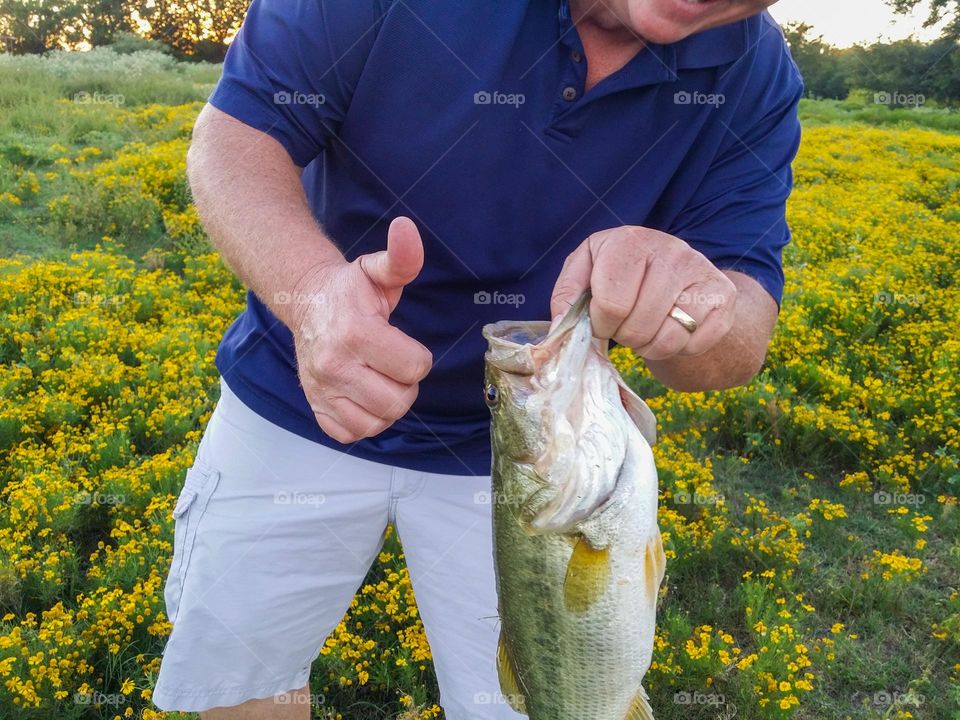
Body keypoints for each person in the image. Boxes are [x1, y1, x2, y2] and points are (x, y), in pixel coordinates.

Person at [152, 0, 803, 717]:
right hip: (300, 391)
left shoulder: (755, 75)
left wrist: (695, 307)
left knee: (541, 695)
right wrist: (312, 299)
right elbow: (237, 133)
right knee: (243, 684)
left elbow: (742, 326)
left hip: (529, 458)